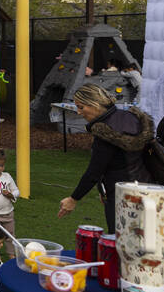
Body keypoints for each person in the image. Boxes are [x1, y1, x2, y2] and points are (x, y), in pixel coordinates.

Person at [57, 83, 152, 231]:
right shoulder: (129, 117)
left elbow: (94, 171)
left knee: (120, 239)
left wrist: (73, 199)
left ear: (95, 104)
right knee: (141, 237)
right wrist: (103, 190)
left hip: (122, 194)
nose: (79, 112)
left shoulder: (105, 132)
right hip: (146, 187)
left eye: (81, 107)